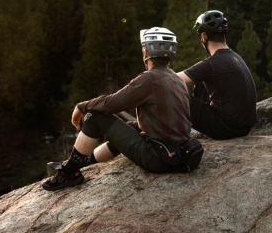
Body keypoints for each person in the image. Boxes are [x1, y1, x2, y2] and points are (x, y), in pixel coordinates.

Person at [42, 27, 197, 191]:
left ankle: (69, 173)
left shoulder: (149, 78)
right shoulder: (177, 79)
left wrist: (82, 106)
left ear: (146, 52)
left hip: (158, 159)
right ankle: (86, 161)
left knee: (94, 117)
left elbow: (111, 104)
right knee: (129, 128)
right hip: (177, 153)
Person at [176, 10, 257, 140]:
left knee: (175, 96)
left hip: (225, 128)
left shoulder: (211, 64)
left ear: (203, 36)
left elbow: (169, 79)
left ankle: (167, 133)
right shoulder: (235, 57)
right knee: (201, 85)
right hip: (244, 127)